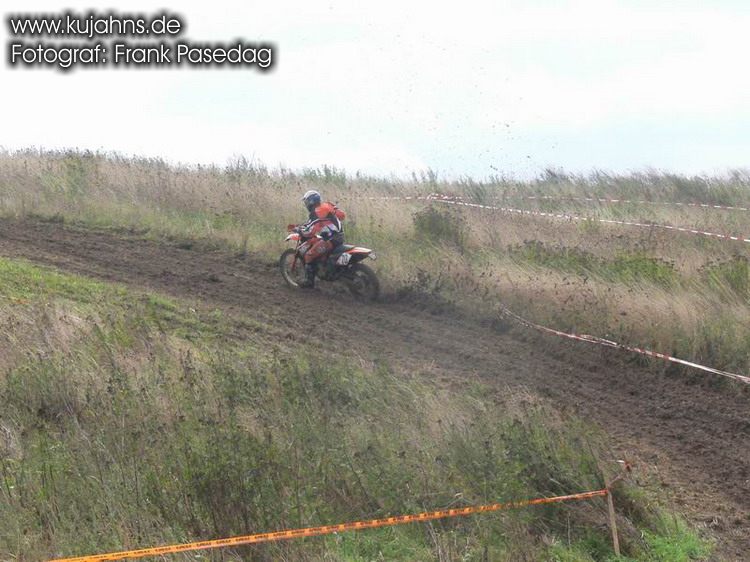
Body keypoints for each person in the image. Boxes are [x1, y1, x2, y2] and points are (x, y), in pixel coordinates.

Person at [290, 190, 346, 288]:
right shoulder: (327, 205)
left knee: (309, 255)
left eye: (306, 202)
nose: (306, 204)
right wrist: (328, 220)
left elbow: (310, 231)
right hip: (340, 237)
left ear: (311, 202)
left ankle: (309, 282)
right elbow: (342, 215)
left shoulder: (316, 212)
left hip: (330, 239)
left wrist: (299, 230)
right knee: (318, 245)